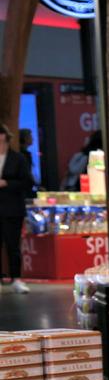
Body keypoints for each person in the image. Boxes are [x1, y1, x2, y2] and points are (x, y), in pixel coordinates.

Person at [0, 125, 35, 294]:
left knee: (13, 245)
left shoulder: (18, 159)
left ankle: (16, 279)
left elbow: (28, 182)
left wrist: (7, 183)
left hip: (12, 208)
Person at [18, 129, 37, 197]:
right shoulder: (23, 154)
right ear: (25, 138)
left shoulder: (25, 153)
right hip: (24, 188)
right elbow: (27, 172)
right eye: (30, 136)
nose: (33, 138)